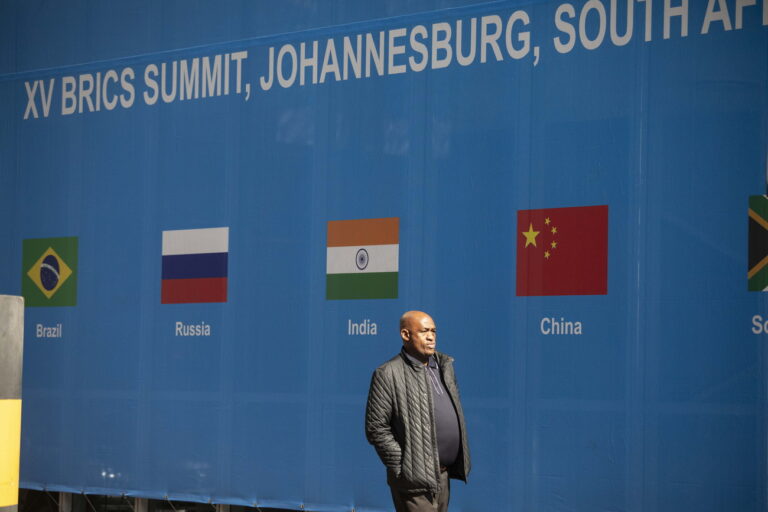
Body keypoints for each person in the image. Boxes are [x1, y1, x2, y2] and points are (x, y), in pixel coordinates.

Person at [365, 310, 470, 512]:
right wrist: (404, 467)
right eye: (423, 331)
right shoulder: (387, 373)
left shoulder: (444, 367)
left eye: (433, 331)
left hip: (443, 476)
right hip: (413, 482)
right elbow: (376, 428)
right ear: (406, 335)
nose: (431, 337)